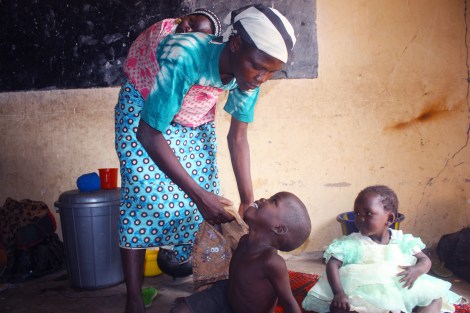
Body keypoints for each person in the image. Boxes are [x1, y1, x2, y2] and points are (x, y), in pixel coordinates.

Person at [114, 4, 297, 313]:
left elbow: (238, 137)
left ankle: (197, 277)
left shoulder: (248, 73)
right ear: (236, 44)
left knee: (205, 194)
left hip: (194, 113)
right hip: (145, 105)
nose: (262, 78)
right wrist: (199, 196)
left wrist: (247, 201)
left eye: (271, 72)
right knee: (144, 196)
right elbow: (148, 134)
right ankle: (133, 299)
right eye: (259, 66)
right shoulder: (187, 54)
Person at [302, 185, 465, 313]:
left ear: (390, 218)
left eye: (368, 213)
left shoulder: (402, 240)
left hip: (399, 287)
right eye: (357, 213)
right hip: (363, 291)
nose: (360, 218)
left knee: (434, 298)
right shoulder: (352, 243)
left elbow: (425, 260)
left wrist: (417, 270)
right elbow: (332, 265)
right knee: (339, 308)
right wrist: (339, 293)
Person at [170, 191, 312, 313]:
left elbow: (288, 302)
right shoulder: (244, 240)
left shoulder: (272, 262)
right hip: (226, 294)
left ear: (279, 229)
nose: (263, 199)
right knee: (180, 310)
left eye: (273, 201)